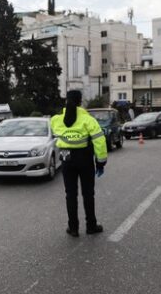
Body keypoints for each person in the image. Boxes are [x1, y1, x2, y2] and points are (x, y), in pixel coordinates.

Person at [51, 90, 108, 237]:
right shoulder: (87, 120)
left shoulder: (56, 120)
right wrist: (100, 162)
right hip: (84, 159)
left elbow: (56, 135)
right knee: (88, 194)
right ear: (80, 102)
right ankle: (91, 226)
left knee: (70, 194)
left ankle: (73, 228)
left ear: (66, 101)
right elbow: (99, 141)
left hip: (66, 160)